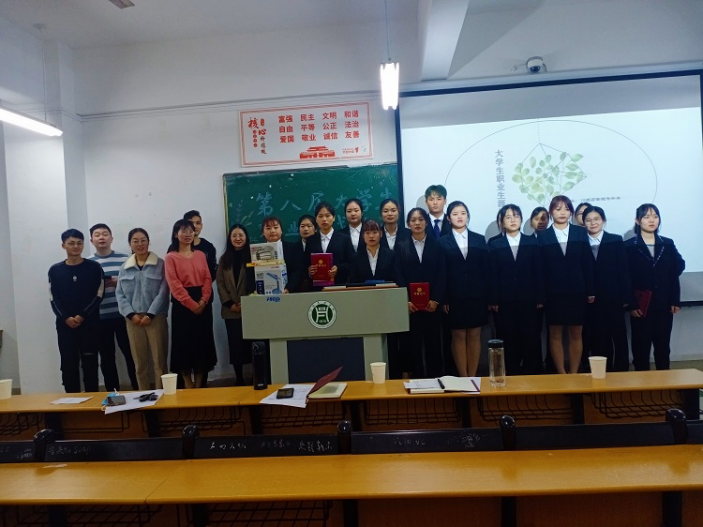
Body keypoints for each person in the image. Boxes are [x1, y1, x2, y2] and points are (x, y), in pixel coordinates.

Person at [537, 196, 595, 374]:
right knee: (555, 334)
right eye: (558, 209)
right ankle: (562, 373)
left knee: (576, 333)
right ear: (551, 212)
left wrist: (590, 290)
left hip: (577, 291)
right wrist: (541, 295)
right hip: (553, 292)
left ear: (571, 212)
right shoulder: (543, 235)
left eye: (566, 209)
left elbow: (587, 263)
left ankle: (574, 372)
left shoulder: (580, 232)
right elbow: (540, 268)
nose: (562, 212)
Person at [625, 204, 685, 371]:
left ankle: (664, 382)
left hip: (664, 303)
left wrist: (675, 299)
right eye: (646, 217)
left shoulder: (667, 243)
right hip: (641, 305)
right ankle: (643, 382)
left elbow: (675, 271)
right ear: (637, 221)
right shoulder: (628, 246)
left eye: (655, 216)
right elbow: (626, 278)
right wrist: (631, 304)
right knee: (641, 348)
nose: (651, 220)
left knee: (663, 347)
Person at [488, 205, 545, 375]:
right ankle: (511, 373)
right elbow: (492, 274)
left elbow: (538, 271)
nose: (513, 220)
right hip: (504, 300)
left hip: (529, 299)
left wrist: (540, 297)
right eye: (508, 217)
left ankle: (532, 374)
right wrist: (494, 299)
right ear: (502, 222)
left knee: (530, 337)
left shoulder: (532, 242)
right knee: (507, 337)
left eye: (516, 216)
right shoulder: (495, 244)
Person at [49, 229, 104, 393]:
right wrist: (66, 318)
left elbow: (98, 295)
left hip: (90, 324)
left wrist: (82, 316)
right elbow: (53, 298)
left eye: (79, 243)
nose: (76, 246)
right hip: (65, 326)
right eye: (71, 243)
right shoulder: (55, 270)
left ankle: (93, 402)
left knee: (90, 364)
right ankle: (71, 401)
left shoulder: (94, 267)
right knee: (68, 364)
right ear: (63, 245)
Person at [164, 219, 217, 388]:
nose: (188, 234)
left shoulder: (201, 255)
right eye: (183, 231)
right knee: (184, 347)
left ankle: (199, 386)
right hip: (183, 307)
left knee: (202, 345)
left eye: (190, 231)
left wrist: (203, 300)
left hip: (203, 304)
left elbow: (207, 278)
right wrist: (192, 304)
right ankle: (188, 387)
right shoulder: (170, 257)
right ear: (176, 234)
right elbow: (174, 284)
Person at [439, 201, 489, 377]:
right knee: (458, 336)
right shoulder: (441, 242)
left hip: (477, 295)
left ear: (468, 216)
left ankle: (473, 376)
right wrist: (444, 298)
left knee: (475, 335)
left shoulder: (479, 239)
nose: (459, 217)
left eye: (463, 213)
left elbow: (486, 270)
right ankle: (463, 376)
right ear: (448, 218)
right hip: (454, 296)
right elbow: (441, 273)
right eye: (455, 214)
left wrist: (488, 297)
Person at [115, 228, 170, 390]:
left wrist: (150, 314)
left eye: (143, 240)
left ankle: (162, 394)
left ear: (148, 241)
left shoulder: (160, 264)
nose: (140, 244)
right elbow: (120, 294)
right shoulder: (124, 267)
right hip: (133, 320)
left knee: (159, 361)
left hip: (156, 318)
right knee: (139, 363)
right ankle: (143, 394)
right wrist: (131, 314)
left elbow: (163, 291)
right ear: (130, 244)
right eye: (135, 241)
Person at [395, 208, 446, 378]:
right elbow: (398, 274)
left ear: (426, 222)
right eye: (413, 220)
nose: (417, 223)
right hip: (411, 306)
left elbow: (442, 273)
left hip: (432, 305)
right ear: (408, 224)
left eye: (421, 219)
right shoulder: (401, 246)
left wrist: (436, 300)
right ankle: (417, 378)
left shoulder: (436, 245)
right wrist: (405, 300)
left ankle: (435, 377)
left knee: (434, 342)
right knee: (413, 343)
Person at [88, 223, 138, 391]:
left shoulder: (125, 259)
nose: (101, 237)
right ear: (91, 240)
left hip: (124, 315)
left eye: (105, 234)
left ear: (111, 238)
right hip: (100, 318)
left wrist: (119, 282)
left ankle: (139, 389)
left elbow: (136, 284)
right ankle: (112, 393)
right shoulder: (89, 263)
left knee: (131, 354)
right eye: (97, 235)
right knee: (107, 357)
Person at [581, 206, 631, 372]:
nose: (593, 223)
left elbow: (623, 269)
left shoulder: (615, 240)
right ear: (583, 223)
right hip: (592, 299)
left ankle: (622, 371)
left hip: (614, 297)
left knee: (619, 336)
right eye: (588, 220)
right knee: (599, 337)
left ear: (603, 220)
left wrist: (626, 297)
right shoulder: (581, 242)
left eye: (596, 219)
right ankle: (603, 371)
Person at [217, 224, 256, 385]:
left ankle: (255, 376)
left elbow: (257, 281)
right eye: (234, 235)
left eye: (241, 235)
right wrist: (229, 303)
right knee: (235, 346)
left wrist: (247, 301)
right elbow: (220, 283)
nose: (238, 238)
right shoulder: (224, 259)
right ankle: (239, 378)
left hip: (251, 309)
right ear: (230, 239)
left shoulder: (253, 256)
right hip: (230, 310)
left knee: (253, 344)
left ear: (246, 237)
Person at [306, 202, 354, 285]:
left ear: (334, 218)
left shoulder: (344, 239)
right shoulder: (311, 240)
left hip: (338, 284)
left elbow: (351, 262)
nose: (324, 219)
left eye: (328, 216)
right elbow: (305, 263)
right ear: (316, 219)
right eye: (320, 216)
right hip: (316, 287)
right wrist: (309, 270)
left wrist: (338, 268)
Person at [260, 216, 302, 293]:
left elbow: (297, 271)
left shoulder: (293, 248)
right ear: (263, 232)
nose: (272, 231)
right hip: (263, 294)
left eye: (276, 227)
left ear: (281, 230)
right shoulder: (258, 250)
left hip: (289, 293)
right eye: (268, 228)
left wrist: (289, 288)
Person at [184, 210, 217, 280]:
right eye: (191, 223)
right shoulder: (175, 247)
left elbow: (212, 272)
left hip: (204, 286)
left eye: (198, 223)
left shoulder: (209, 247)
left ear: (201, 226)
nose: (195, 226)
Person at [297, 214, 316, 292]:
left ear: (315, 229)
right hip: (298, 288)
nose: (305, 229)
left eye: (309, 226)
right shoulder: (293, 248)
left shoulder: (321, 247)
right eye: (302, 226)